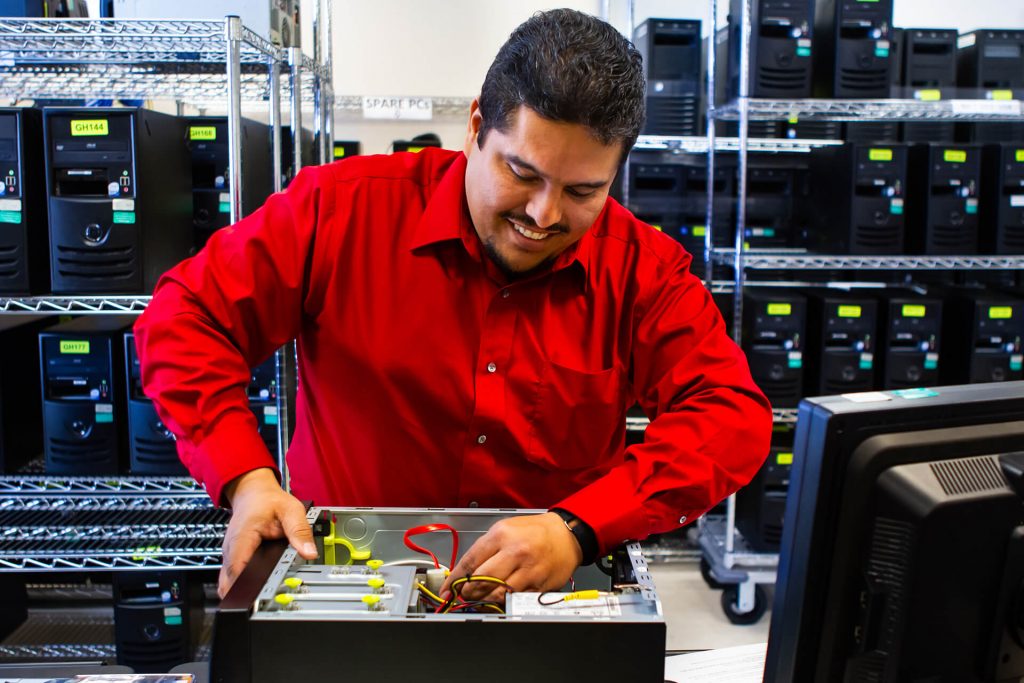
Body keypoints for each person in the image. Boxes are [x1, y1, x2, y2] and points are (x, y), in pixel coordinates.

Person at [134, 8, 772, 602]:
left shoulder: (641, 269)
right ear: (474, 128)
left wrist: (579, 527)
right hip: (351, 592)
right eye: (521, 173)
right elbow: (186, 319)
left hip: (548, 599)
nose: (543, 215)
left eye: (583, 190)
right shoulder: (339, 212)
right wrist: (245, 477)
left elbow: (730, 417)